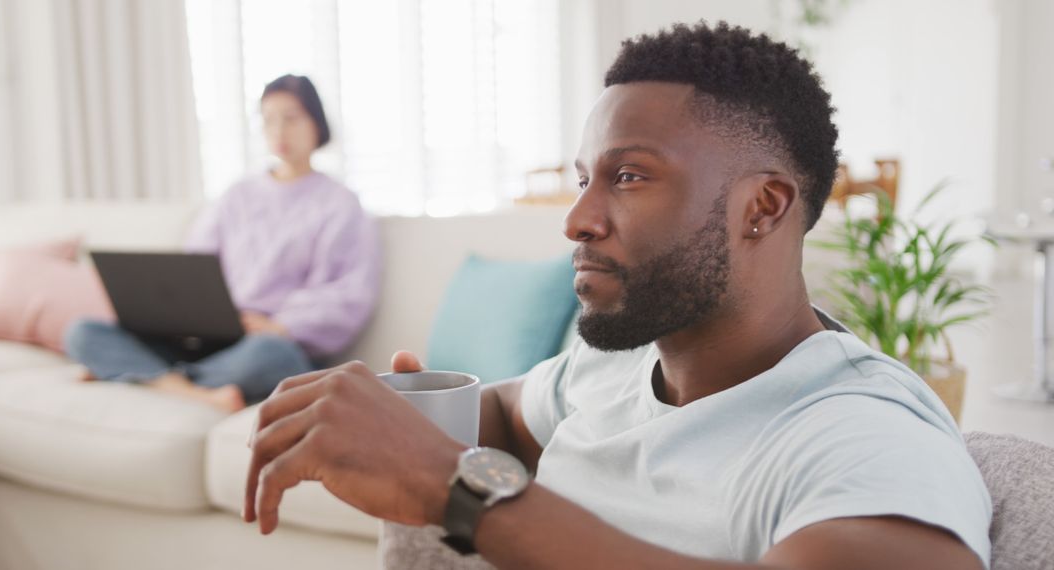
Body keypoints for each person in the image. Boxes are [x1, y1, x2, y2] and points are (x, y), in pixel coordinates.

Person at [243, 23, 991, 569]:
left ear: (761, 208)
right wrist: (407, 420)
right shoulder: (614, 368)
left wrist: (461, 491)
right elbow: (505, 415)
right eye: (582, 178)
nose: (576, 219)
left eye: (628, 176)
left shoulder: (863, 437)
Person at [66, 74, 381, 413]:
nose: (279, 131)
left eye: (291, 118)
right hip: (209, 338)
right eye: (268, 119)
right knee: (82, 332)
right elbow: (194, 269)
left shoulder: (339, 204)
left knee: (274, 357)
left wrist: (280, 325)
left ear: (316, 123)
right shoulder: (237, 196)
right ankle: (187, 387)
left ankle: (139, 374)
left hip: (268, 343)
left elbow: (348, 295)